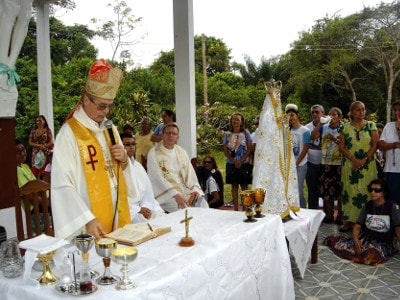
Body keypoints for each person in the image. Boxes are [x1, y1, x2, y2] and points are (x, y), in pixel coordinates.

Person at [51, 59, 140, 240]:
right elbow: (62, 184)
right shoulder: (69, 134)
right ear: (85, 100)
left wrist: (124, 160)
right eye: (101, 105)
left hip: (117, 216)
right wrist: (87, 219)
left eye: (109, 105)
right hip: (89, 224)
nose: (106, 111)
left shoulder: (110, 129)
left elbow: (119, 174)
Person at [324, 179, 400, 265]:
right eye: (371, 190)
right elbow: (357, 226)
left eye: (377, 190)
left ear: (384, 193)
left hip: (384, 241)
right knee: (344, 246)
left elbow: (398, 229)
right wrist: (356, 240)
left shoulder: (392, 207)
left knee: (372, 255)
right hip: (367, 238)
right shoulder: (367, 205)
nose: (373, 192)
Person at [147, 122, 208, 212]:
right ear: (162, 135)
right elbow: (157, 178)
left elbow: (190, 173)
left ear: (177, 137)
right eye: (168, 133)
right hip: (166, 194)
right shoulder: (154, 153)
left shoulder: (181, 151)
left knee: (203, 204)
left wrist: (195, 189)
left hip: (185, 190)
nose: (170, 135)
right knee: (184, 209)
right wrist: (176, 195)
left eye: (174, 133)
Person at [338, 100, 378, 232]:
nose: (361, 112)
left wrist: (362, 160)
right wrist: (354, 160)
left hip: (367, 166)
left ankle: (366, 222)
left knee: (367, 192)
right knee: (350, 192)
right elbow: (341, 147)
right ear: (352, 112)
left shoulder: (371, 125)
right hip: (350, 165)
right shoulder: (345, 127)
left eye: (363, 109)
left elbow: (374, 145)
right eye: (358, 110)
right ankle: (349, 221)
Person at [120, 132, 165, 221]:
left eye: (133, 144)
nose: (132, 147)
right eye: (127, 144)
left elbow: (148, 191)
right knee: (143, 225)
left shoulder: (138, 166)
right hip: (129, 210)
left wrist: (146, 206)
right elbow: (119, 197)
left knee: (161, 218)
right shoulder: (117, 168)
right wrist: (138, 210)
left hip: (144, 206)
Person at [311, 107, 343, 223]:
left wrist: (334, 139)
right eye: (330, 114)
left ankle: (340, 216)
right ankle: (329, 215)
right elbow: (312, 137)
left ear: (339, 117)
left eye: (334, 114)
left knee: (339, 192)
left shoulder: (343, 128)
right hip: (326, 163)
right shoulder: (324, 128)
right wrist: (320, 123)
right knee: (327, 192)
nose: (331, 117)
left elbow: (345, 146)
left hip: (339, 163)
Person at [223, 113, 253, 211]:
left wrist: (241, 161)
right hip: (231, 164)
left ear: (241, 122)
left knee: (244, 186)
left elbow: (249, 149)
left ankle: (245, 207)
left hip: (243, 164)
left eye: (238, 119)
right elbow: (225, 151)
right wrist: (233, 161)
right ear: (231, 121)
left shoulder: (246, 133)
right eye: (234, 119)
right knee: (234, 186)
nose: (235, 121)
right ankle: (236, 208)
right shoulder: (227, 134)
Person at [285, 104, 311, 208]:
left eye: (292, 115)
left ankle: (303, 209)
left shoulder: (305, 131)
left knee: (298, 189)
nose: (290, 118)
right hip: (289, 164)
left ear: (297, 115)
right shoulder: (287, 130)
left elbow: (305, 149)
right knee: (289, 189)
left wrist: (296, 163)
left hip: (300, 164)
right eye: (288, 116)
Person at [379, 101, 400, 205]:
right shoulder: (388, 126)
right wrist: (395, 145)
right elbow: (381, 145)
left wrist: (398, 128)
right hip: (391, 170)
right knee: (392, 201)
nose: (396, 113)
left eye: (399, 110)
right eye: (395, 110)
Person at [305, 104, 324, 209]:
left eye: (317, 112)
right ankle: (313, 211)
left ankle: (328, 214)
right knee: (312, 189)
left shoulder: (329, 126)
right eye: (313, 112)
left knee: (326, 190)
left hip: (326, 163)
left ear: (323, 114)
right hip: (310, 163)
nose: (315, 114)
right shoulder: (307, 128)